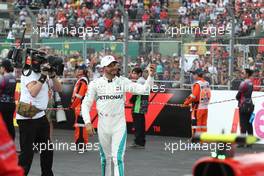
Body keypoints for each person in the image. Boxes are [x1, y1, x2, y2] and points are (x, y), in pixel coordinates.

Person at [81, 55, 155, 176]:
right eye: (110, 65)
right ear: (104, 68)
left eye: (115, 64)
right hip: (103, 125)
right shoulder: (95, 84)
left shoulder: (122, 81)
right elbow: (85, 104)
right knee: (105, 158)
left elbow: (145, 90)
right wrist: (88, 122)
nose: (114, 67)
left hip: (118, 125)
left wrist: (151, 76)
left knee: (118, 158)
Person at [16, 53, 62, 176]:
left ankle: (47, 174)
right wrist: (43, 76)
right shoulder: (28, 73)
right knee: (27, 153)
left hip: (40, 116)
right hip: (27, 117)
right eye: (40, 62)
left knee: (47, 149)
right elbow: (33, 92)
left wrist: (52, 75)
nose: (42, 64)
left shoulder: (46, 74)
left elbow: (58, 88)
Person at [184, 68, 211, 135]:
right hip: (205, 107)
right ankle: (203, 141)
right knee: (203, 125)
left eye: (193, 74)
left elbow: (194, 96)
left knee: (196, 124)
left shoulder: (197, 84)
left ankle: (196, 141)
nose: (193, 75)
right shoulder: (206, 83)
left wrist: (186, 102)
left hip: (197, 107)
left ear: (197, 75)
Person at [129, 67, 149, 149]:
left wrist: (132, 99)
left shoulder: (140, 81)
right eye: (132, 73)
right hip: (142, 104)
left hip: (139, 105)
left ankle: (138, 142)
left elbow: (137, 92)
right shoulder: (143, 80)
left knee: (138, 124)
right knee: (141, 123)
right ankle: (141, 141)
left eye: (134, 73)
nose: (132, 75)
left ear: (139, 74)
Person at [70, 64, 89, 147]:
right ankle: (80, 142)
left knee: (81, 125)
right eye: (76, 69)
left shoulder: (82, 81)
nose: (77, 71)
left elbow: (78, 96)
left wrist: (72, 106)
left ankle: (81, 143)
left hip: (81, 107)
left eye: (79, 69)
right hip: (80, 106)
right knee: (80, 125)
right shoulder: (81, 80)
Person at [0, 59, 17, 140]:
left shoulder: (3, 78)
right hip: (11, 104)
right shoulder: (14, 78)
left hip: (3, 104)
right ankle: (11, 141)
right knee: (10, 123)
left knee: (3, 124)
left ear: (4, 68)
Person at [236, 69, 254, 137]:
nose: (242, 74)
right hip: (250, 104)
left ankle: (242, 141)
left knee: (243, 123)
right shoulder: (251, 83)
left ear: (247, 74)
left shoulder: (243, 83)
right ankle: (250, 141)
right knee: (249, 123)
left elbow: (238, 96)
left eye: (243, 73)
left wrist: (238, 99)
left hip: (243, 105)